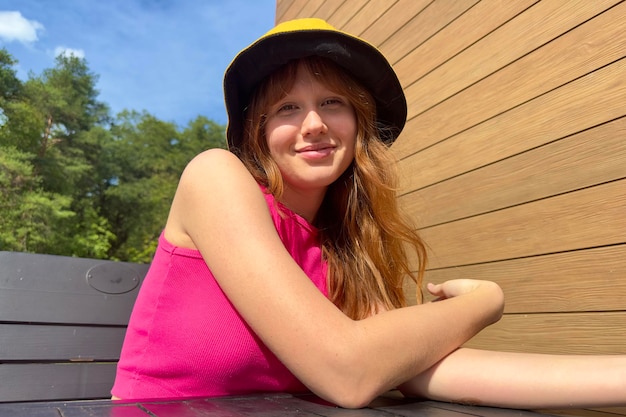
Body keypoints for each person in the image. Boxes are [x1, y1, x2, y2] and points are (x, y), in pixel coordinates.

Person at [111, 18, 626, 409]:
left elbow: (411, 369)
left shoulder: (343, 251)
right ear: (258, 131)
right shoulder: (214, 177)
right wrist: (486, 302)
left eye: (333, 102)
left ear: (359, 124)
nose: (312, 123)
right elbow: (349, 372)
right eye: (287, 108)